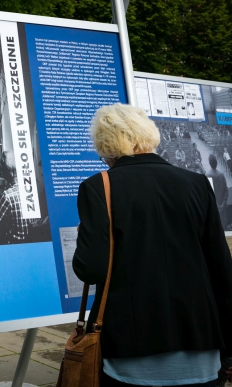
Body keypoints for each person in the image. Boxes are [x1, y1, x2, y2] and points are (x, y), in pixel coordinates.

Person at [73, 104, 232, 386]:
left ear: (106, 146)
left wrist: (84, 236)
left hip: (131, 348)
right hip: (201, 340)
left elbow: (90, 269)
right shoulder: (197, 183)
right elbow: (222, 269)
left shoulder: (98, 187)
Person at [0, 152, 49, 245]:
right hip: (32, 243)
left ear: (10, 173)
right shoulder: (31, 189)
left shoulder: (7, 196)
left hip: (14, 245)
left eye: (2, 169)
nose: (1, 172)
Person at [206, 154, 229, 229]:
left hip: (214, 210)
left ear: (210, 163)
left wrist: (216, 205)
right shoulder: (221, 175)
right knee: (224, 230)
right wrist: (223, 204)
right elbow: (226, 191)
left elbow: (209, 194)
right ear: (216, 163)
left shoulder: (207, 175)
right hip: (223, 209)